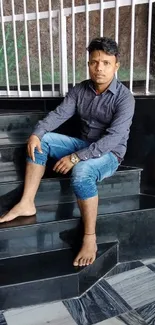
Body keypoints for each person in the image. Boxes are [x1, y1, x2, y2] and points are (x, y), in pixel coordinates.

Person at [0, 37, 135, 267]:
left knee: (81, 172)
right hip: (83, 144)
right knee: (43, 140)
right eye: (94, 62)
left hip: (109, 154)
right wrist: (37, 132)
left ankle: (89, 237)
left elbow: (113, 139)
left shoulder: (125, 98)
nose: (99, 68)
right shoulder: (80, 90)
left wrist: (76, 157)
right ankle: (27, 202)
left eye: (105, 62)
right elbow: (58, 114)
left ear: (116, 65)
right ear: (88, 63)